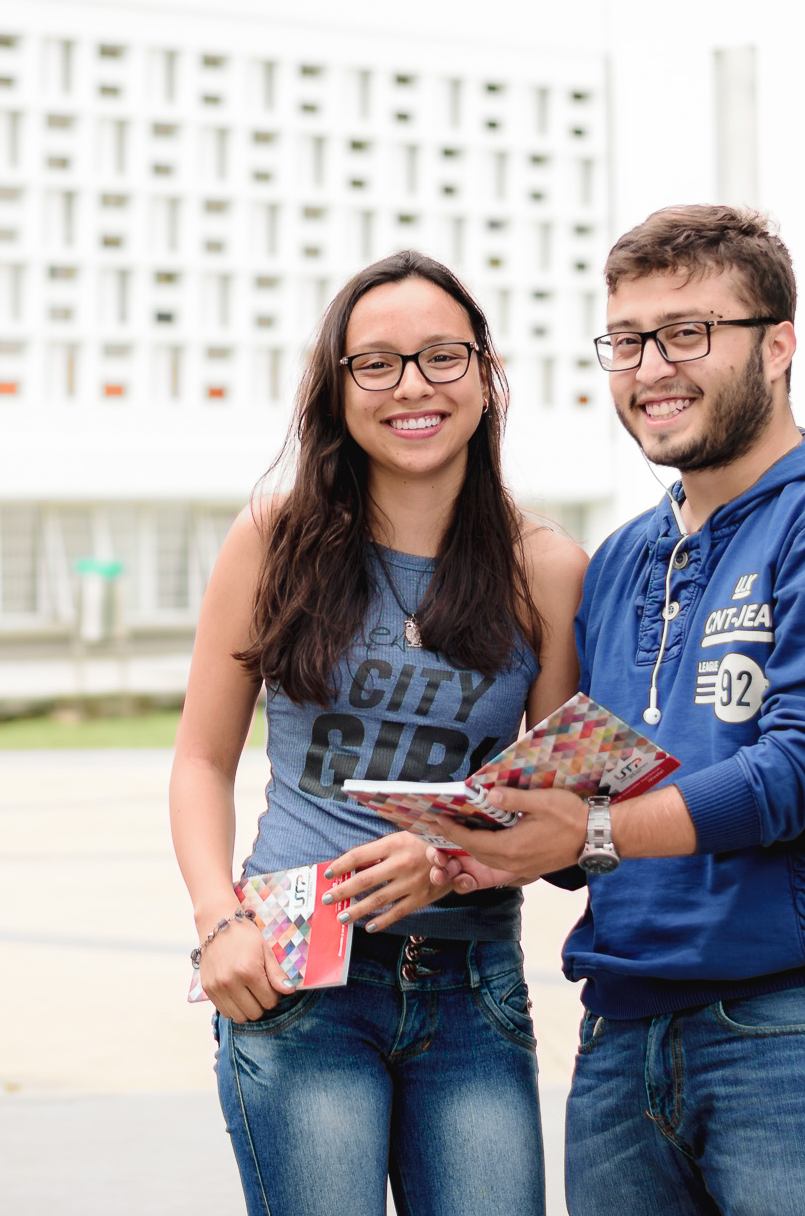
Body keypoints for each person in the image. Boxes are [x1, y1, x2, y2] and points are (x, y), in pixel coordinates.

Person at [439, 206, 805, 1215]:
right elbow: (591, 782)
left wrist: (586, 826)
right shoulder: (626, 556)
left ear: (776, 345)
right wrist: (481, 838)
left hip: (802, 1028)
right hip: (621, 1031)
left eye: (686, 333)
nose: (650, 367)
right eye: (626, 341)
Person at [168, 250, 587, 1216]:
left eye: (443, 357)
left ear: (486, 376)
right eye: (378, 363)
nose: (413, 387)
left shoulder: (549, 569)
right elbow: (200, 758)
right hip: (293, 975)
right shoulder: (272, 542)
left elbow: (558, 807)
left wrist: (451, 854)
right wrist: (216, 922)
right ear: (338, 386)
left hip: (470, 984)